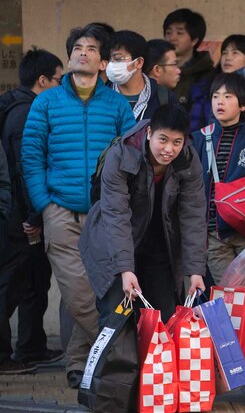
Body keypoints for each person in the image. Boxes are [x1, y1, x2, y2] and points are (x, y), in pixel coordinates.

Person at [22, 25, 135, 388]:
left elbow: (132, 155)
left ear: (103, 63)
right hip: (61, 212)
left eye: (91, 49)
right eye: (77, 49)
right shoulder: (47, 102)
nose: (83, 53)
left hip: (105, 213)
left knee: (101, 288)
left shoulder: (117, 104)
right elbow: (31, 156)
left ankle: (78, 362)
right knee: (79, 292)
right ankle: (124, 351)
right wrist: (43, 204)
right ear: (70, 58)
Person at [79, 104, 207, 324]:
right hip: (115, 243)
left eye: (177, 142)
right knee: (118, 319)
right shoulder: (121, 155)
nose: (169, 149)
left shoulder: (188, 158)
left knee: (164, 320)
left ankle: (152, 360)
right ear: (149, 133)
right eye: (163, 140)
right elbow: (116, 215)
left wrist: (195, 270)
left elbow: (193, 214)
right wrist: (125, 269)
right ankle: (109, 359)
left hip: (160, 246)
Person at [0, 49, 64, 375]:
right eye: (58, 79)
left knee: (33, 281)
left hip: (21, 213)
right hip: (18, 217)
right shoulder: (25, 115)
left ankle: (31, 347)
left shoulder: (21, 107)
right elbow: (27, 170)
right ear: (43, 81)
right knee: (10, 285)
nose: (62, 85)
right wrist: (32, 217)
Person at [192, 73, 245, 286]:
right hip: (214, 234)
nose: (220, 101)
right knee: (228, 295)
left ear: (243, 105)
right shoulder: (200, 138)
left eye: (228, 96)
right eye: (216, 96)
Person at [188, 33, 245, 132]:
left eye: (235, 53)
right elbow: (195, 126)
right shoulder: (205, 87)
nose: (227, 58)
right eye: (224, 53)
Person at [107, 30, 177, 122]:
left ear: (139, 62)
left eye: (118, 59)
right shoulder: (100, 96)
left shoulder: (164, 98)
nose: (111, 64)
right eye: (109, 59)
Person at [163, 8, 214, 109]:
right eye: (168, 32)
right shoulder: (157, 69)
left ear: (194, 40)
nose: (172, 38)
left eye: (179, 33)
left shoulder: (208, 75)